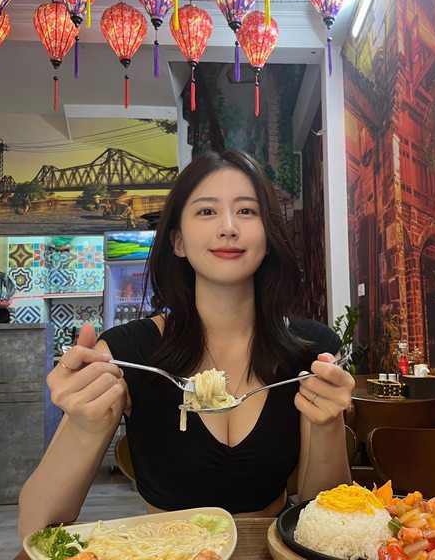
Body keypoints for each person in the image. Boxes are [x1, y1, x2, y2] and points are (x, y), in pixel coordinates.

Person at [18, 150, 354, 538]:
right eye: (207, 211)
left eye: (246, 211)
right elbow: (35, 526)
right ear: (178, 241)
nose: (228, 227)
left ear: (267, 237)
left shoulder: (311, 350)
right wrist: (84, 424)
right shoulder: (126, 354)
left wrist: (328, 423)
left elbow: (326, 519)